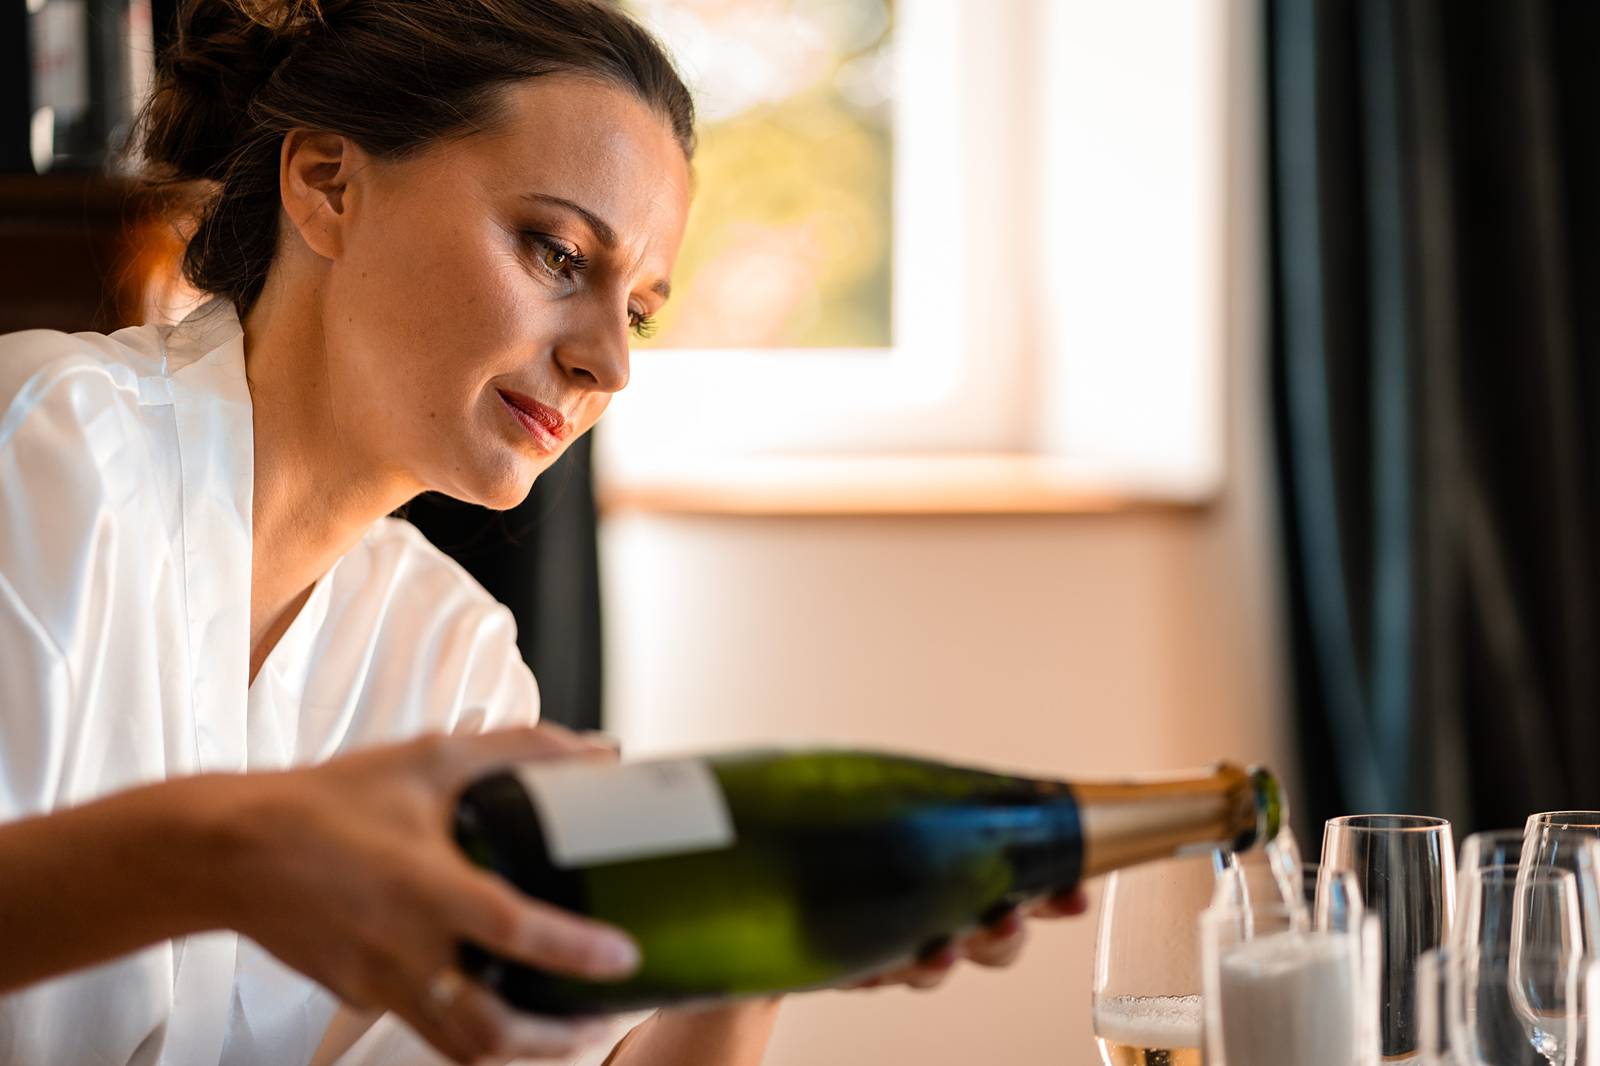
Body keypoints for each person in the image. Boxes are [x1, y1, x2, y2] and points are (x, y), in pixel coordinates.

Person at [0, 0, 1085, 1062]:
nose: (608, 365)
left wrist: (760, 951)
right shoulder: (43, 453)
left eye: (640, 309)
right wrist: (225, 853)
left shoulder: (450, 656)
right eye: (558, 254)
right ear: (328, 186)